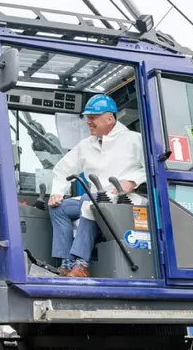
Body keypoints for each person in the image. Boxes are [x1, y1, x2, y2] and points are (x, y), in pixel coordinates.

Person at [47, 94, 148, 278]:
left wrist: (132, 181)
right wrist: (57, 192)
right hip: (96, 196)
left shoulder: (135, 140)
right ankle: (67, 263)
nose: (88, 122)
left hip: (127, 198)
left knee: (90, 204)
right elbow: (61, 170)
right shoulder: (85, 145)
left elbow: (152, 168)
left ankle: (81, 264)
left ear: (109, 118)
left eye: (92, 118)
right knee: (58, 208)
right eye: (88, 118)